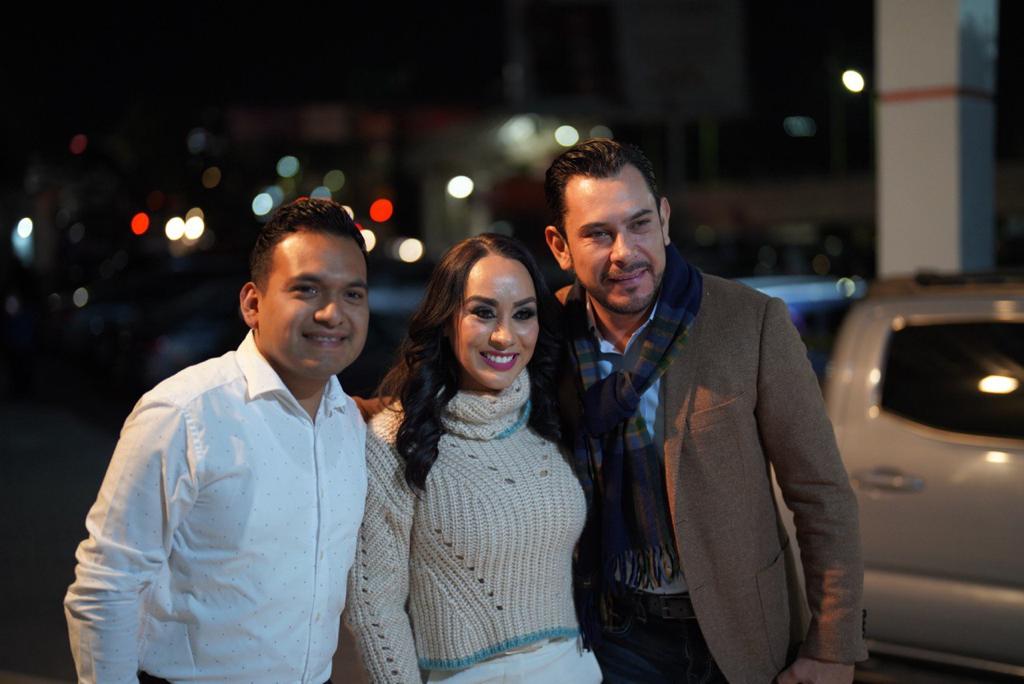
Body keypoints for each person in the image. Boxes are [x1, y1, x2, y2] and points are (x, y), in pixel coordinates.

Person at [542, 139, 867, 684]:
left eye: (640, 224)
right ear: (560, 245)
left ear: (665, 220)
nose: (625, 252)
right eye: (598, 234)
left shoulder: (751, 323)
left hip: (738, 631)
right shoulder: (543, 333)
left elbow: (821, 493)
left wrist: (833, 648)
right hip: (606, 634)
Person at [64, 198, 370, 683]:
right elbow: (106, 586)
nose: (333, 313)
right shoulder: (185, 413)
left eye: (353, 294)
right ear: (253, 303)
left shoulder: (347, 422)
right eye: (307, 289)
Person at [346, 234, 602, 683]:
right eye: (483, 313)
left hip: (576, 668)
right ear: (446, 321)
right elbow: (374, 608)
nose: (505, 335)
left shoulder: (548, 416)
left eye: (523, 314)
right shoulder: (397, 440)